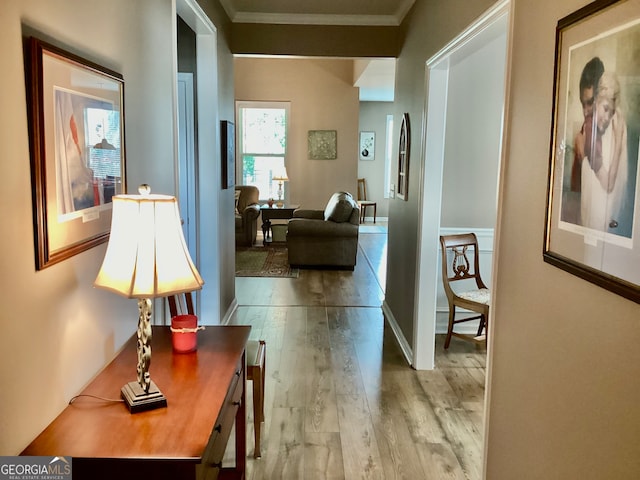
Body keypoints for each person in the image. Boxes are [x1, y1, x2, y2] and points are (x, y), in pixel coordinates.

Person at [580, 71, 628, 233]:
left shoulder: (597, 126)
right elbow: (608, 184)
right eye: (605, 109)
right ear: (596, 103)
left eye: (612, 112)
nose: (607, 117)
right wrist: (619, 144)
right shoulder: (590, 132)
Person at [571, 57, 604, 192]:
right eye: (582, 103)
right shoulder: (585, 128)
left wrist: (583, 157)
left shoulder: (609, 131)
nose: (585, 112)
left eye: (590, 103)